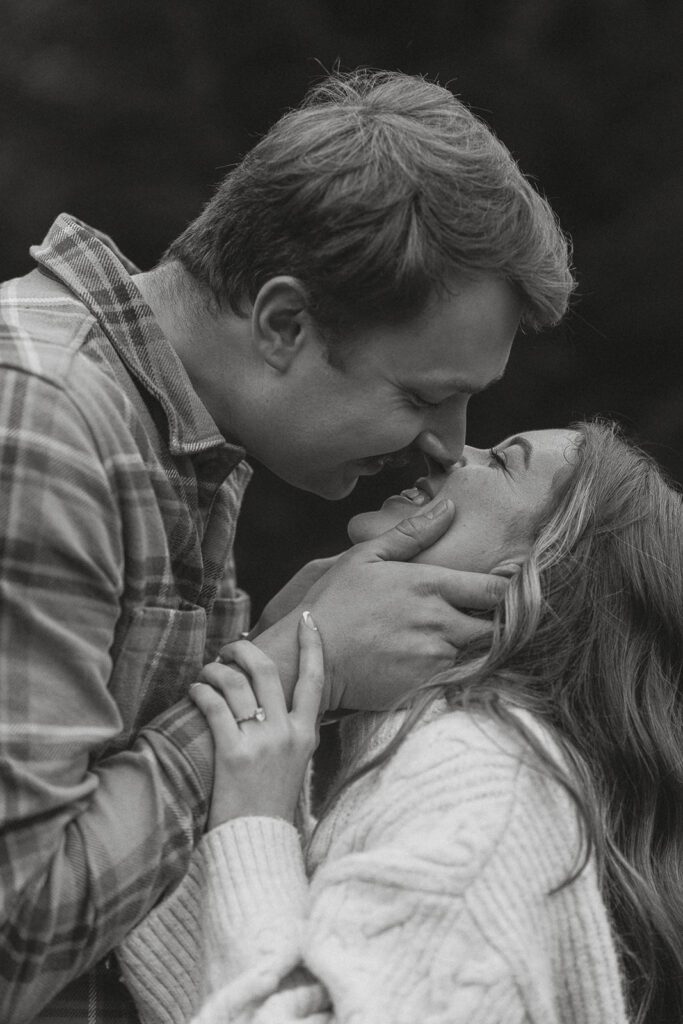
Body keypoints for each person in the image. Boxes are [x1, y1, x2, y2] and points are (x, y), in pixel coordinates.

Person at [0, 70, 573, 1022]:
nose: (445, 443)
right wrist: (279, 665)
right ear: (281, 323)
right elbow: (17, 936)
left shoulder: (178, 444)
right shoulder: (42, 421)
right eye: (424, 395)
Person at [118, 420, 683, 1024]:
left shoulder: (482, 781)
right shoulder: (435, 748)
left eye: (499, 461)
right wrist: (278, 658)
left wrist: (252, 824)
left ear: (527, 572)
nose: (447, 450)